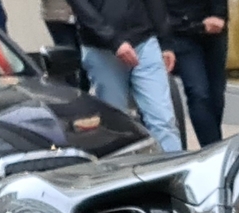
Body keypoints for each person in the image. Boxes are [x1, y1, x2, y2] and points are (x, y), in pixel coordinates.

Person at [70, 0, 185, 151]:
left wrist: (165, 42)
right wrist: (113, 41)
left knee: (163, 119)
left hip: (144, 41)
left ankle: (174, 170)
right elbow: (82, 7)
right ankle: (122, 171)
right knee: (115, 125)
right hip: (102, 50)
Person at [167, 0, 229, 143]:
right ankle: (213, 149)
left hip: (214, 31)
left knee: (216, 97)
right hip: (180, 33)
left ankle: (215, 145)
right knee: (198, 93)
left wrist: (218, 15)